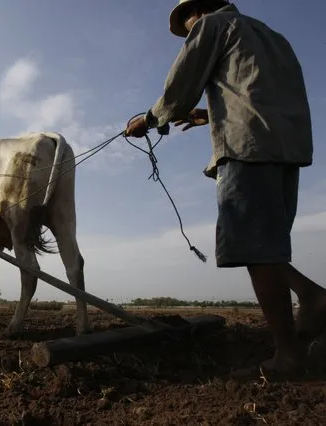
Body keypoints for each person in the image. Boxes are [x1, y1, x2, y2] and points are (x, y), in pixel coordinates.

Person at [124, 0, 325, 377]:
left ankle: (291, 350)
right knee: (268, 246)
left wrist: (148, 120)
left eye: (187, 21)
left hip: (245, 148)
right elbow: (254, 89)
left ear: (201, 9)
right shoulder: (273, 36)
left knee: (252, 246)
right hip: (288, 149)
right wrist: (206, 113)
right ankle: (310, 307)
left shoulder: (212, 25)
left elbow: (180, 88)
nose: (188, 30)